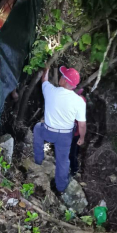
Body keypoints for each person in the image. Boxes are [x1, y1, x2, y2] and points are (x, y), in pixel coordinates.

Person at [33, 66, 87, 194]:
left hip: (48, 132)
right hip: (65, 136)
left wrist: (46, 69)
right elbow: (82, 125)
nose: (60, 77)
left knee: (37, 128)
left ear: (65, 81)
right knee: (63, 160)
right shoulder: (79, 101)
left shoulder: (51, 91)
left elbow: (44, 80)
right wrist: (82, 137)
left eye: (63, 76)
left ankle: (38, 160)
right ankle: (61, 187)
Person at [70, 88, 87, 176]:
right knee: (74, 152)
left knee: (72, 152)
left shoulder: (77, 101)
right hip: (76, 132)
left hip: (74, 133)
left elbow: (81, 124)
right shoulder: (82, 100)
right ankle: (74, 168)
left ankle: (74, 169)